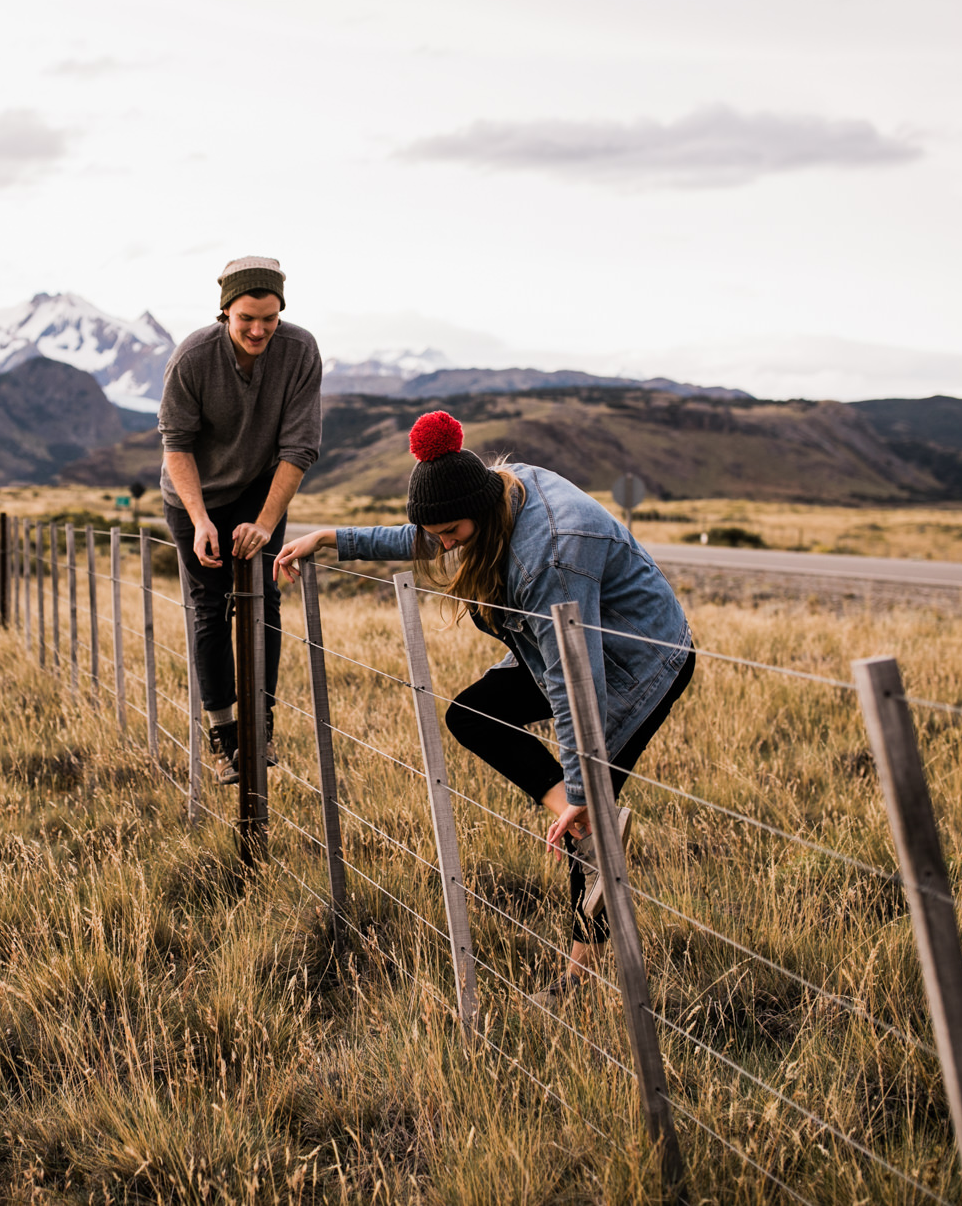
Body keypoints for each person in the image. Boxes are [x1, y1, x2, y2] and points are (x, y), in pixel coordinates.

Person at [274, 410, 693, 984]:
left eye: (453, 535)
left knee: (589, 797)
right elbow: (428, 535)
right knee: (474, 716)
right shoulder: (491, 491)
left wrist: (577, 785)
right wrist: (332, 539)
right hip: (560, 647)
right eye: (440, 534)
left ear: (481, 512)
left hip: (639, 659)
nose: (445, 547)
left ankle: (581, 973)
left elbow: (579, 686)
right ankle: (590, 833)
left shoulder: (550, 554)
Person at [159, 256, 323, 783]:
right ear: (224, 311)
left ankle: (261, 727)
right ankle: (226, 737)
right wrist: (200, 519)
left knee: (263, 597)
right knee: (210, 605)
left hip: (258, 488)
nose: (258, 330)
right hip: (194, 495)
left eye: (269, 319)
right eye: (246, 318)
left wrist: (267, 524)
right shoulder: (193, 357)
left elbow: (299, 448)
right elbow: (176, 444)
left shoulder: (299, 351)